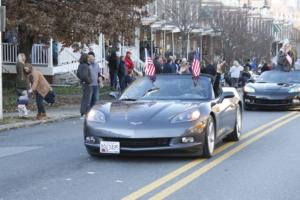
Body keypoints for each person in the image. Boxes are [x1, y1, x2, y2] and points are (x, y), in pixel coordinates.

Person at [77, 53, 92, 118]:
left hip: (83, 83)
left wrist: (81, 79)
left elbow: (78, 74)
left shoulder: (80, 65)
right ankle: (84, 113)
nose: (89, 58)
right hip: (87, 84)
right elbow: (85, 76)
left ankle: (84, 113)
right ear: (85, 58)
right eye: (88, 57)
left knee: (85, 98)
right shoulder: (85, 66)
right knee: (86, 99)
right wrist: (89, 81)